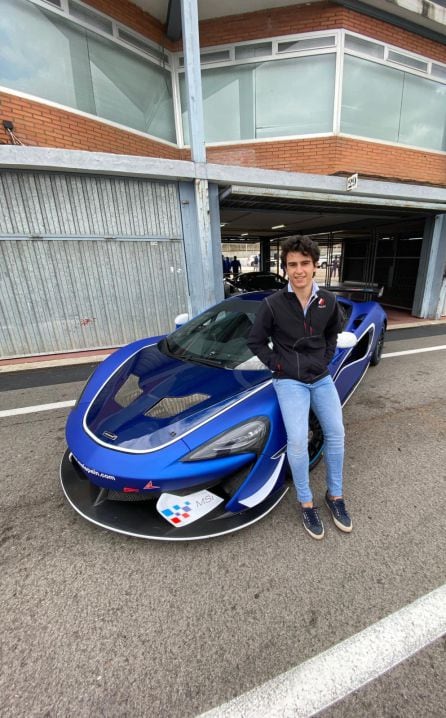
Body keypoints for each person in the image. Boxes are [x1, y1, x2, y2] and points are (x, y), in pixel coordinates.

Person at [247, 235, 352, 540]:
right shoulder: (273, 304)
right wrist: (277, 365)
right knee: (297, 440)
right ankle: (306, 502)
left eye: (304, 263)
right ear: (285, 268)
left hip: (320, 378)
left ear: (315, 266)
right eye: (292, 264)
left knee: (336, 433)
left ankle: (335, 496)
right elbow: (254, 340)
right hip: (289, 381)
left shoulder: (327, 301)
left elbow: (333, 334)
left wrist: (325, 361)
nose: (299, 270)